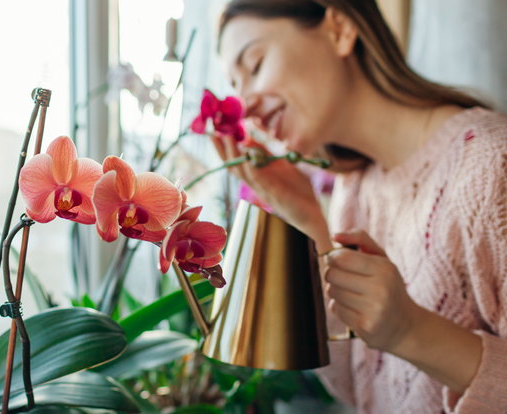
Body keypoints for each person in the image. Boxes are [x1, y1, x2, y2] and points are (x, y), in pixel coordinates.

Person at [216, 0, 507, 412]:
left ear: (338, 28)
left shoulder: (492, 165)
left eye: (256, 64)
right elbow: (358, 392)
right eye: (234, 85)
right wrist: (307, 218)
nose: (244, 106)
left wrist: (410, 331)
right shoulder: (356, 193)